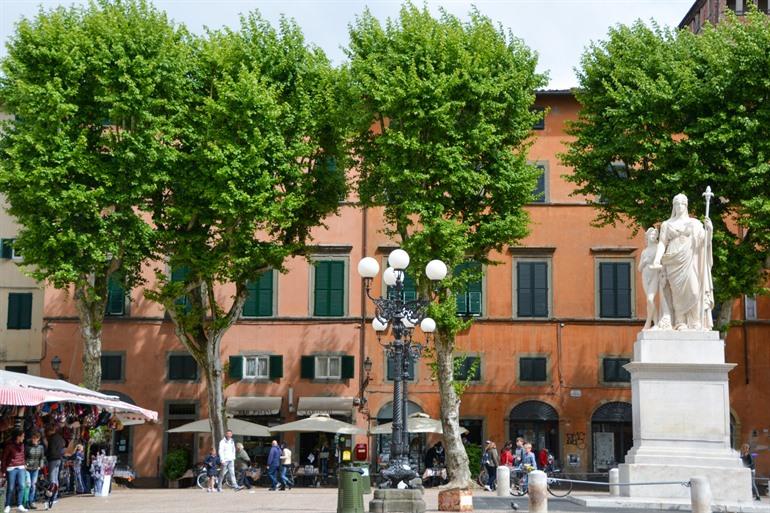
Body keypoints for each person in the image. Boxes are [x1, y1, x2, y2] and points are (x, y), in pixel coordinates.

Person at [651, 193, 714, 331]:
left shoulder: (695, 223)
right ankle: (680, 322)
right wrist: (657, 259)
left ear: (686, 206)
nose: (679, 206)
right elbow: (662, 243)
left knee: (694, 289)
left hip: (689, 258)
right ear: (674, 206)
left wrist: (709, 229)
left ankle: (696, 321)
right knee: (676, 292)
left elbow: (704, 242)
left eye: (682, 203)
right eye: (677, 204)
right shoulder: (667, 224)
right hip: (672, 260)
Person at [639, 227, 661, 330]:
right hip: (645, 275)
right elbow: (639, 268)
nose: (652, 236)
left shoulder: (659, 248)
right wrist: (644, 262)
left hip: (655, 275)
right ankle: (655, 323)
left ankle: (648, 322)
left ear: (656, 236)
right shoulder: (644, 251)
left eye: (654, 234)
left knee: (650, 299)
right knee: (649, 301)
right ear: (647, 236)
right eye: (650, 234)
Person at [3, 429, 28, 512]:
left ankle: (20, 504)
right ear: (18, 437)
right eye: (22, 436)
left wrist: (24, 464)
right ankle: (7, 505)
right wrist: (3, 470)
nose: (24, 438)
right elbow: (4, 458)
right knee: (10, 488)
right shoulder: (9, 446)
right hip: (11, 468)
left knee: (22, 486)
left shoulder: (23, 445)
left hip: (21, 467)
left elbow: (23, 456)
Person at [25, 432, 45, 510]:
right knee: (28, 485)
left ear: (38, 439)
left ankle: (31, 501)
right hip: (27, 468)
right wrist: (24, 464)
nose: (34, 439)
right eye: (33, 438)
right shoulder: (27, 447)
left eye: (35, 438)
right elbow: (24, 456)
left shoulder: (41, 447)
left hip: (36, 468)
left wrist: (41, 465)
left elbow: (42, 457)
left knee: (33, 485)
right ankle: (26, 502)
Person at [44, 426, 65, 503]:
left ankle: (53, 497)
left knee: (52, 479)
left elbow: (51, 450)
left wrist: (47, 455)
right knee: (55, 479)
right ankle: (55, 495)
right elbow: (63, 446)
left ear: (50, 431)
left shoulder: (51, 438)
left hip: (52, 459)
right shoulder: (60, 437)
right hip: (59, 459)